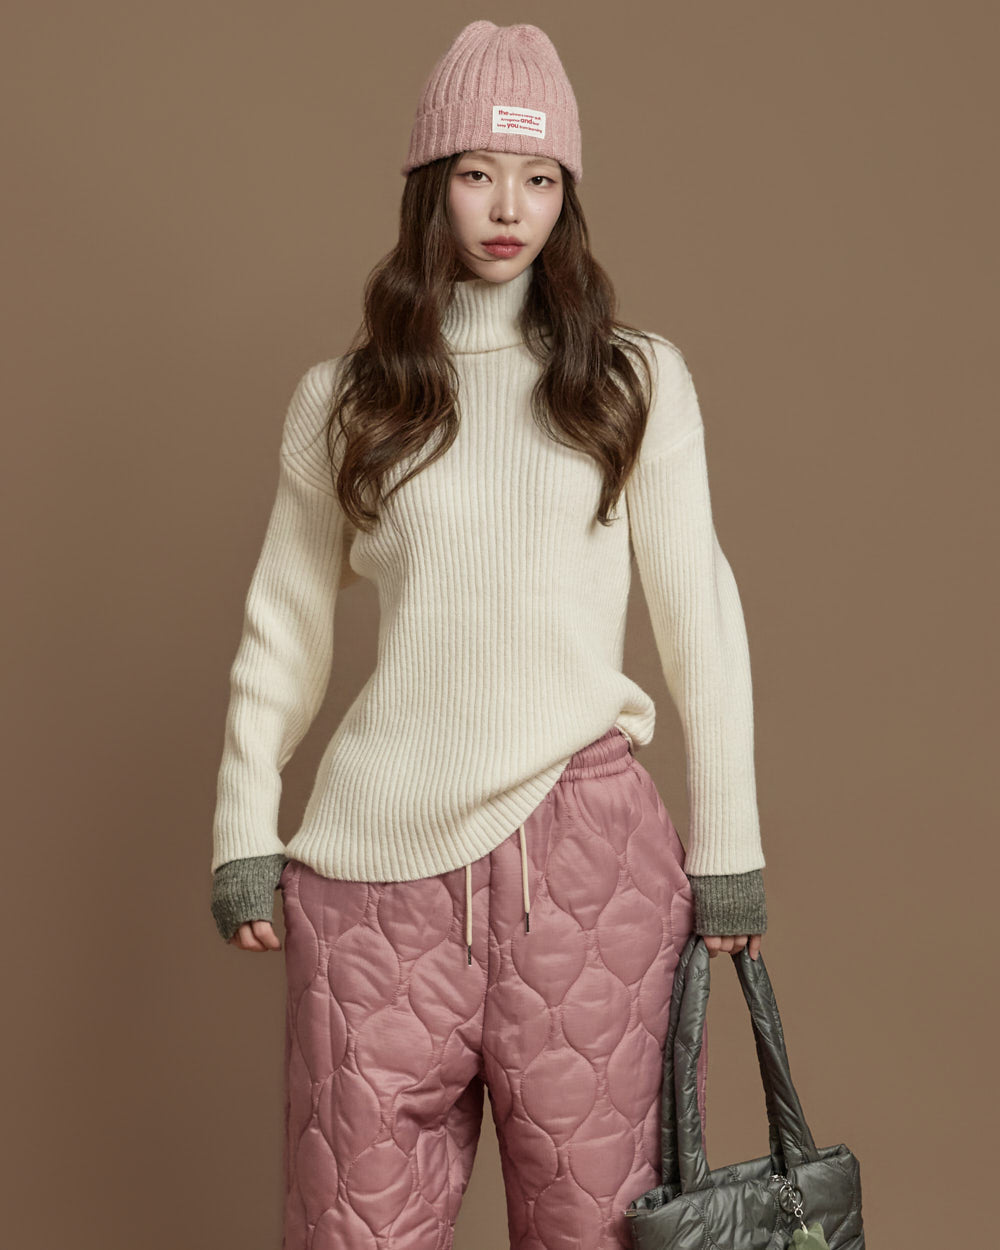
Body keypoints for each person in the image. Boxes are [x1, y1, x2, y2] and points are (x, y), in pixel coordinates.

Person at [209, 20, 767, 1249]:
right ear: (431, 184)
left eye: (539, 176)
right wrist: (244, 822)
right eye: (477, 172)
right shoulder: (346, 400)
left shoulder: (633, 381)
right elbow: (284, 623)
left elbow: (700, 616)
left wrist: (729, 840)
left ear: (567, 193)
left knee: (599, 1230)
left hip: (589, 869)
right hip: (370, 881)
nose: (508, 208)